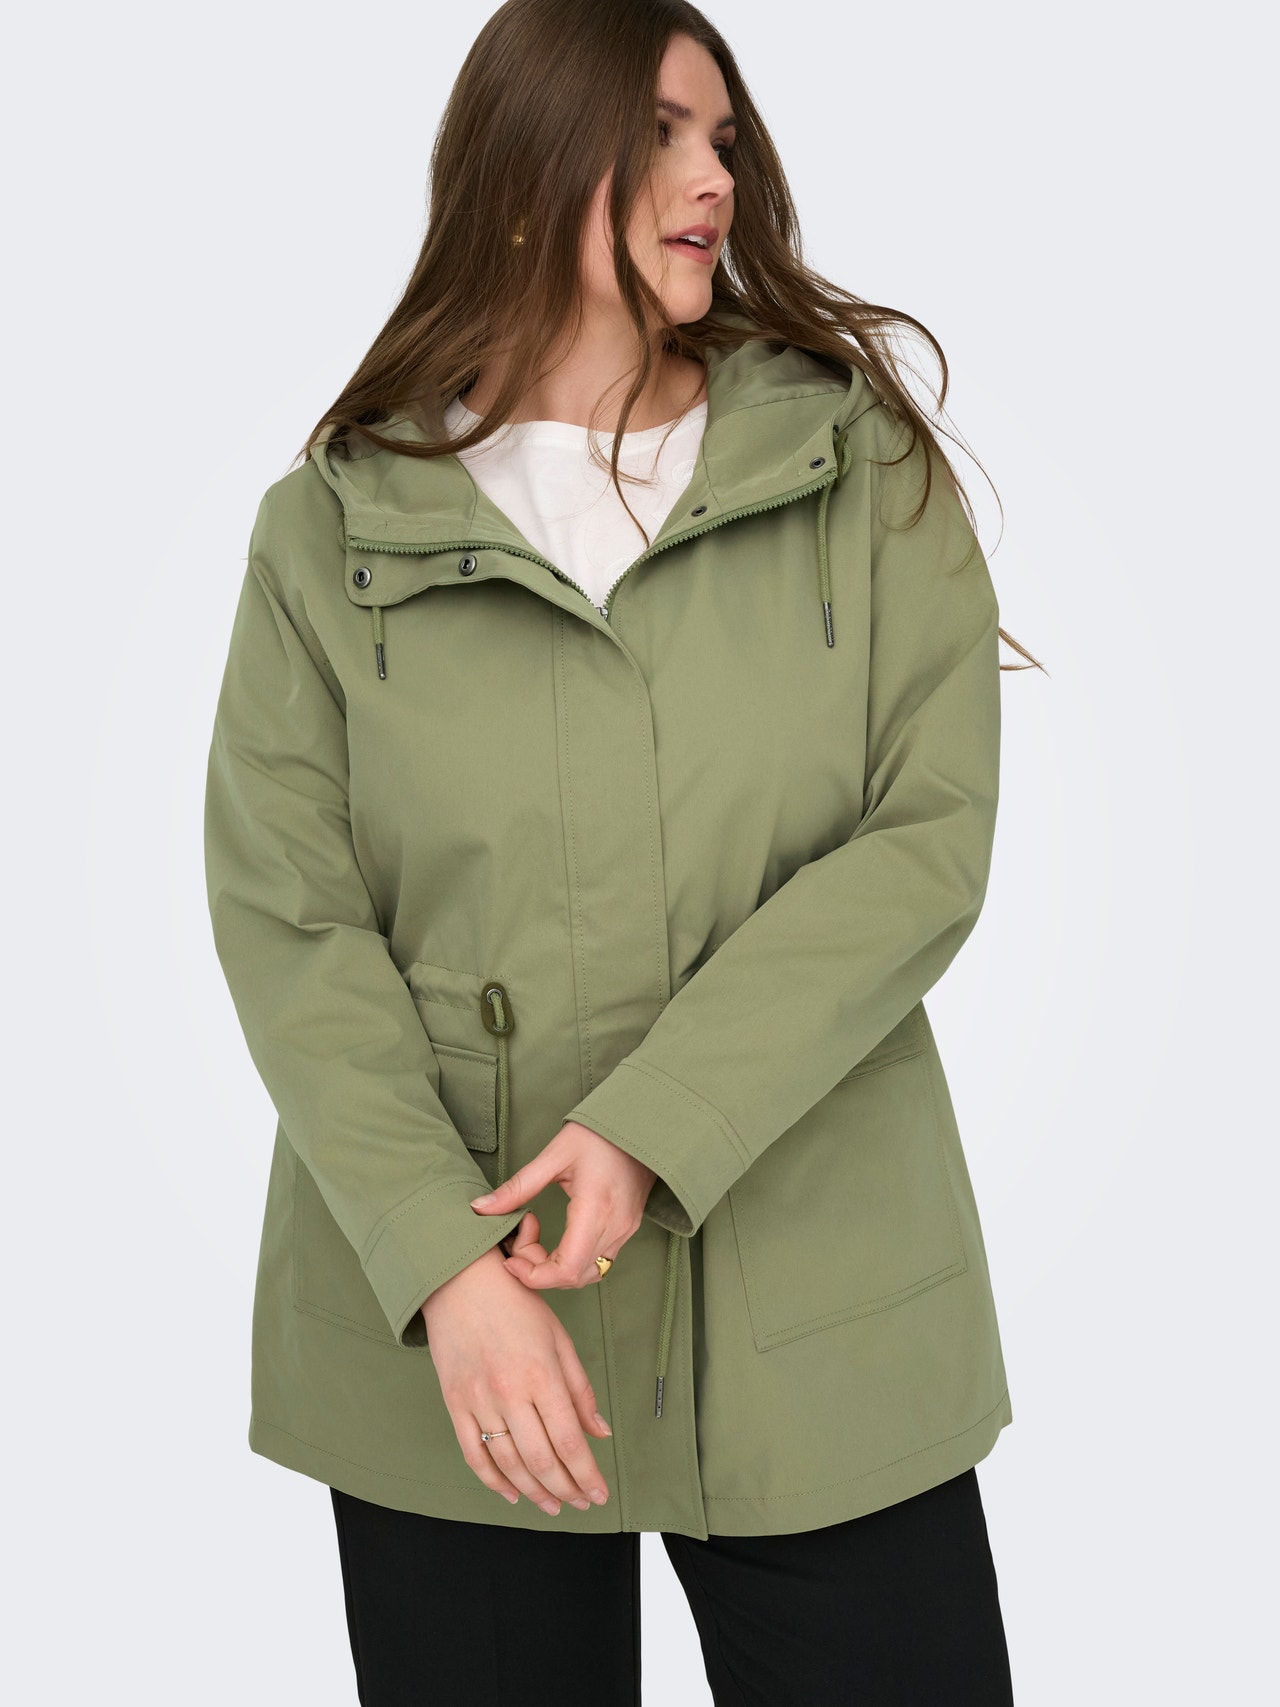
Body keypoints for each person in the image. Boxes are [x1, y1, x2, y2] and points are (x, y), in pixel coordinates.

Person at [204, 2, 1042, 1700]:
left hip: (819, 1296)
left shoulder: (854, 465)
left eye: (724, 139)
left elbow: (925, 844)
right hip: (466, 1333)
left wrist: (649, 1130)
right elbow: (291, 922)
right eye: (660, 132)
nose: (712, 176)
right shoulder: (331, 529)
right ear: (526, 170)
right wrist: (444, 1268)